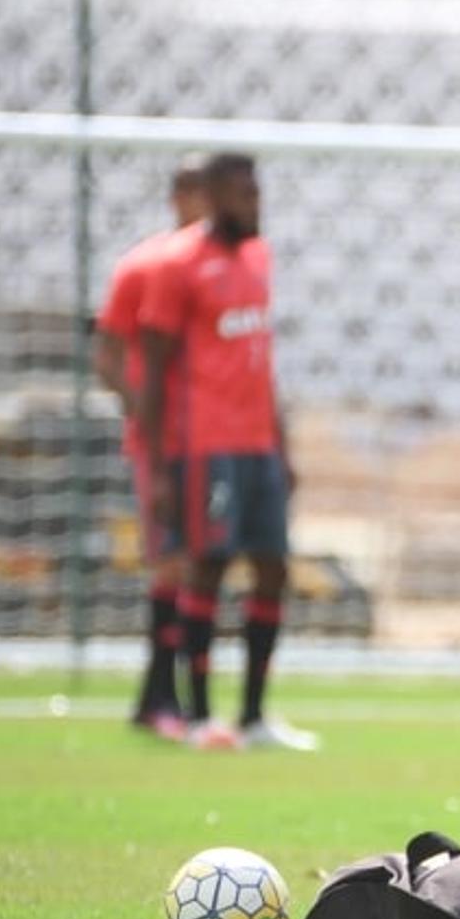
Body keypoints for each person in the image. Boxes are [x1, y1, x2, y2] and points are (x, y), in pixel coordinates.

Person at [139, 153, 316, 754]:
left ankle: (253, 716)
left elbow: (261, 363)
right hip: (204, 445)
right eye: (243, 195)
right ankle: (198, 716)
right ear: (212, 197)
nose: (254, 204)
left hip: (258, 444)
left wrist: (283, 447)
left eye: (257, 193)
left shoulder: (258, 258)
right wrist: (161, 465)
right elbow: (153, 369)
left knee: (274, 568)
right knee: (208, 567)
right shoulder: (178, 265)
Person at [93, 158, 209, 740]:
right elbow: (107, 356)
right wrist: (148, 415)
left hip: (216, 440)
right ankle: (165, 698)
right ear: (183, 197)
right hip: (163, 445)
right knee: (170, 563)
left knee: (198, 567)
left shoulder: (223, 268)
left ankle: (167, 699)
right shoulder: (145, 266)